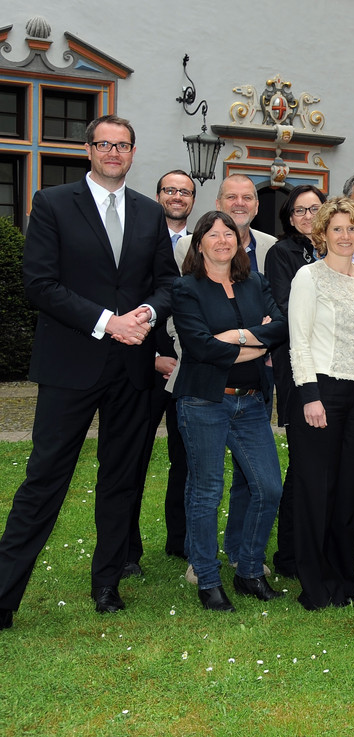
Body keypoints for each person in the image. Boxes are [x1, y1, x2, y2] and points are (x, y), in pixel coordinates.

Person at [0, 115, 176, 628]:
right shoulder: (52, 204)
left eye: (123, 145)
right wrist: (107, 322)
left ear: (133, 152)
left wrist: (144, 315)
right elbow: (39, 283)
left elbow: (166, 283)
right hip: (71, 363)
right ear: (89, 150)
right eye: (105, 144)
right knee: (44, 479)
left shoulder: (148, 213)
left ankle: (107, 586)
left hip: (131, 369)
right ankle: (5, 595)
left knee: (120, 481)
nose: (114, 152)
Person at [172, 210, 288, 611]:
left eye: (229, 234)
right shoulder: (186, 289)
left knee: (268, 487)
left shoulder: (255, 281)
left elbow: (282, 327)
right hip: (204, 400)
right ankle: (207, 579)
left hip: (252, 400)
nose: (223, 240)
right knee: (207, 491)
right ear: (198, 242)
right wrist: (257, 341)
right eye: (213, 234)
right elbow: (201, 347)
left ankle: (249, 571)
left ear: (239, 242)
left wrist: (238, 337)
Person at [288, 197, 354, 609]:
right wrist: (310, 395)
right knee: (316, 492)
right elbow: (299, 340)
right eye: (337, 229)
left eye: (352, 228)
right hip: (321, 393)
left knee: (347, 492)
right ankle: (314, 585)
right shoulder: (308, 277)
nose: (345, 236)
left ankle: (343, 582)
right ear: (322, 234)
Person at [132, 169, 196, 568]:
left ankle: (181, 540)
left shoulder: (203, 243)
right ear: (158, 196)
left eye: (185, 191)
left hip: (186, 369)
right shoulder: (136, 240)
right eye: (169, 190)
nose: (176, 196)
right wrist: (151, 357)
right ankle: (126, 550)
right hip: (144, 365)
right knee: (131, 458)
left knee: (186, 458)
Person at [263, 184, 327, 578]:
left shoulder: (338, 247)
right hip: (299, 366)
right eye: (300, 211)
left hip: (340, 370)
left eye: (314, 209)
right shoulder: (281, 254)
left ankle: (322, 543)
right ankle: (289, 553)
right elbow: (287, 308)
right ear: (289, 218)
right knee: (304, 464)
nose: (307, 217)